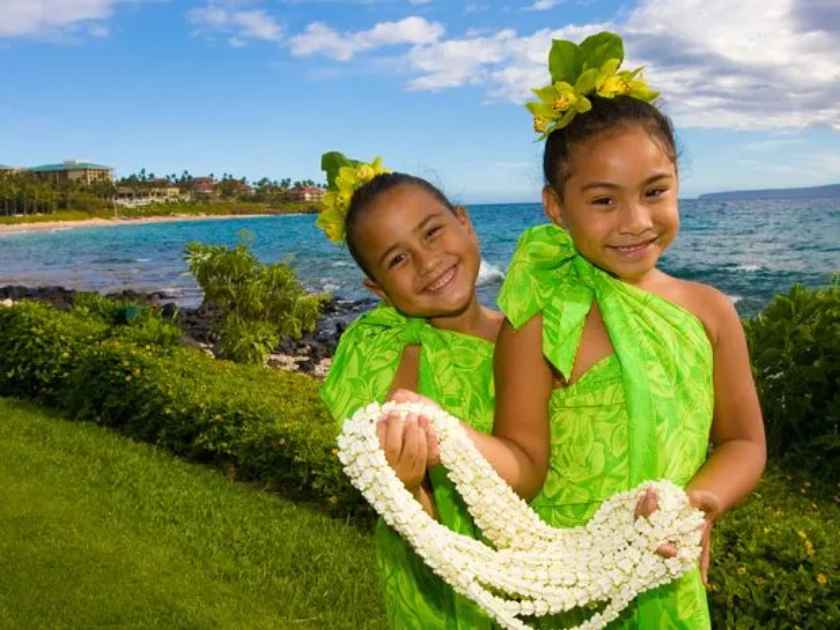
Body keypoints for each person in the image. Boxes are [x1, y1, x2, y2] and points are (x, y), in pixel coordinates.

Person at [484, 32, 767, 627]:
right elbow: (523, 463)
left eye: (655, 192)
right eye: (604, 201)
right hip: (561, 584)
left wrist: (697, 503)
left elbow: (744, 442)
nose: (636, 222)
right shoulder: (537, 320)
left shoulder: (711, 311)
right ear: (556, 208)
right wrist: (450, 441)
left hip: (668, 572)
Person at [318, 153, 503, 630]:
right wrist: (404, 486)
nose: (428, 262)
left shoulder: (538, 335)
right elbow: (408, 504)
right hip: (436, 593)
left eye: (433, 232)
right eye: (397, 259)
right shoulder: (390, 357)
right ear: (376, 288)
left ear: (465, 222)